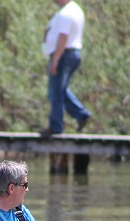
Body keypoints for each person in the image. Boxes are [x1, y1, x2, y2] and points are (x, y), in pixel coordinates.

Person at [40, 0, 91, 137]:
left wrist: (55, 60)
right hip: (70, 53)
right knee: (60, 90)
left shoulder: (66, 13)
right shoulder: (75, 9)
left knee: (55, 92)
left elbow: (63, 37)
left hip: (64, 55)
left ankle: (55, 127)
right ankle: (81, 115)